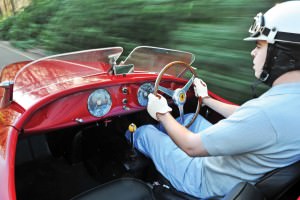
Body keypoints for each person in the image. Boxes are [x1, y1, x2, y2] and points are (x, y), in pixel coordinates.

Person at [127, 1, 300, 198]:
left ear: (283, 55)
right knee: (187, 118)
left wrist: (162, 114)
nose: (253, 52)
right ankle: (162, 153)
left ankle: (124, 162)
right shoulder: (288, 102)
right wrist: (206, 99)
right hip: (234, 168)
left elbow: (192, 147)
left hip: (202, 177)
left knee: (145, 132)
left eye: (259, 45)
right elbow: (246, 116)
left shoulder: (266, 114)